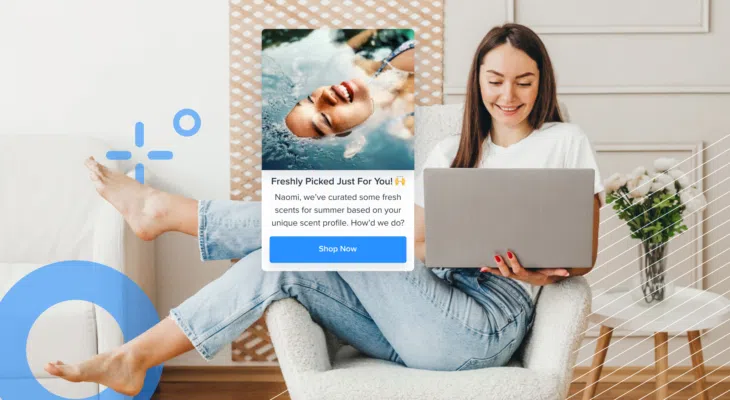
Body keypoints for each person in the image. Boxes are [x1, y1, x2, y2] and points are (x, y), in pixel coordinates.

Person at [44, 23, 602, 397]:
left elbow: (583, 257)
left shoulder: (564, 141)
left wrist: (531, 273)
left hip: (484, 323)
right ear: (478, 82)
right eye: (495, 80)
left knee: (362, 218)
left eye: (524, 82)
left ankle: (176, 215)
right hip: (416, 312)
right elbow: (421, 241)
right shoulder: (448, 153)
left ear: (541, 83)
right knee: (284, 260)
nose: (509, 95)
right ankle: (135, 358)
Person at [282, 29, 415, 138]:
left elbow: (347, 49)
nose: (327, 94)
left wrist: (373, 30)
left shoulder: (347, 67)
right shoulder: (404, 125)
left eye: (310, 99)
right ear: (355, 142)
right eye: (325, 119)